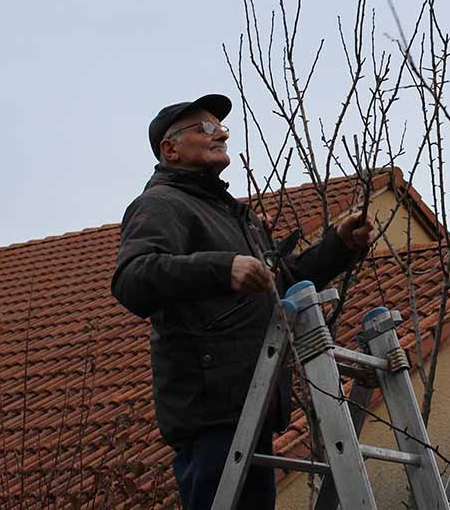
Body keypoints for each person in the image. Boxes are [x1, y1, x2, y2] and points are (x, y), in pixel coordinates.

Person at [111, 94, 372, 510]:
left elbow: (279, 282)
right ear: (170, 149)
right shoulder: (160, 205)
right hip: (211, 411)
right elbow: (132, 279)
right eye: (207, 128)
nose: (223, 134)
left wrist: (339, 245)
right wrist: (223, 267)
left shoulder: (233, 214)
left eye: (221, 126)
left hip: (250, 403)